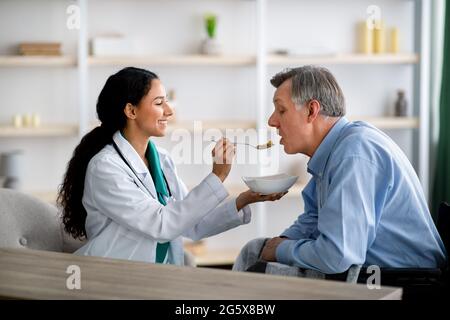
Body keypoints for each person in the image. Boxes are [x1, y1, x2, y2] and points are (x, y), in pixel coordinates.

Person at [58, 67, 286, 265]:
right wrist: (217, 176)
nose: (169, 111)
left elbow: (192, 224)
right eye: (159, 103)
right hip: (115, 277)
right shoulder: (105, 168)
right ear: (131, 111)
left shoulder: (161, 159)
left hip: (156, 274)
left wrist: (245, 198)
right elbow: (162, 224)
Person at [233, 65, 446, 277]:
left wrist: (280, 250)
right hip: (376, 275)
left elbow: (337, 256)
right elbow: (313, 219)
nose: (272, 121)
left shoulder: (354, 153)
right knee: (256, 254)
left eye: (281, 110)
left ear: (311, 110)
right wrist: (281, 243)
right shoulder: (336, 149)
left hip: (408, 282)